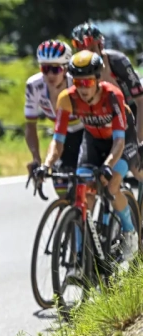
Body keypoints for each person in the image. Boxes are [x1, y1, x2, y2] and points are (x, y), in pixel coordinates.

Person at [40, 50, 138, 260]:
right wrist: (47, 164)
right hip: (93, 141)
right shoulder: (67, 99)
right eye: (77, 82)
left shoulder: (113, 96)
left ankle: (130, 234)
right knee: (83, 193)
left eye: (87, 83)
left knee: (112, 185)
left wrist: (109, 165)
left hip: (121, 141)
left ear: (97, 79)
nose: (82, 88)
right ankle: (80, 255)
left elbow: (119, 141)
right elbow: (58, 141)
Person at [71, 23, 143, 154]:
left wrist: (139, 139)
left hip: (129, 109)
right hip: (103, 117)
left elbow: (140, 101)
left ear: (100, 45)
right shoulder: (75, 67)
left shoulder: (118, 61)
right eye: (81, 50)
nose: (87, 55)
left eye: (91, 49)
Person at [24, 40, 83, 198]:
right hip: (62, 135)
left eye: (55, 69)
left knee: (88, 185)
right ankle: (70, 218)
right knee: (61, 188)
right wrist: (36, 159)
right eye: (45, 69)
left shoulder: (78, 84)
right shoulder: (33, 86)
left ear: (65, 69)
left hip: (88, 132)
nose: (50, 74)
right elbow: (30, 126)